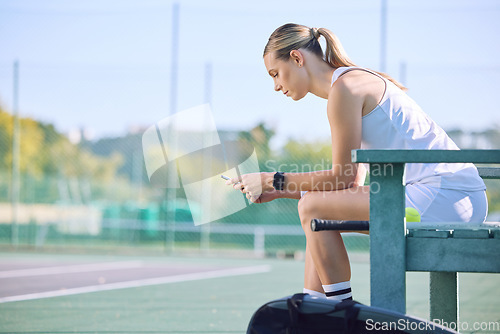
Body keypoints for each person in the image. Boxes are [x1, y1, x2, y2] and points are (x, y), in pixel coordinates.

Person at [226, 23, 488, 301]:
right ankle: (314, 310)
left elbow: (343, 179)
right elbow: (350, 184)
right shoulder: (348, 84)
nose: (276, 86)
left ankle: (340, 313)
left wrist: (271, 179)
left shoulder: (345, 89)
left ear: (297, 58)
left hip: (447, 197)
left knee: (313, 207)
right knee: (315, 206)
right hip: (452, 197)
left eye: (276, 74)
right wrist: (280, 190)